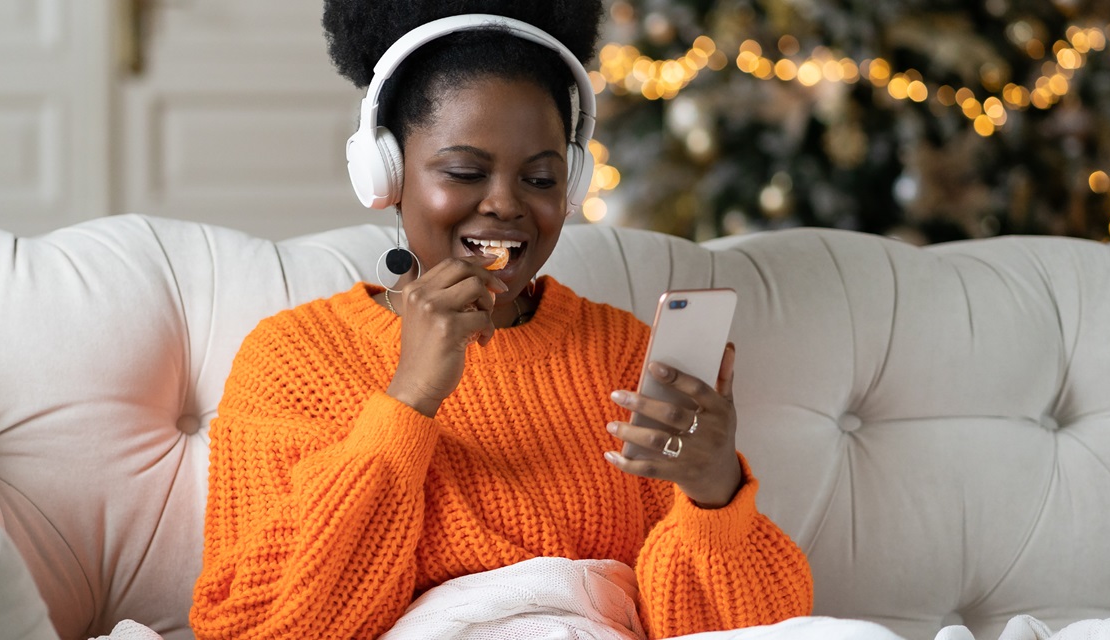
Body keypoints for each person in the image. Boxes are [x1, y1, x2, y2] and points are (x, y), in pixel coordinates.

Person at [188, 2, 813, 638]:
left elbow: (750, 631)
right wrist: (410, 398)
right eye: (464, 172)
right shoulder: (296, 358)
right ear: (388, 173)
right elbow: (254, 626)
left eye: (540, 178)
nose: (505, 205)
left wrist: (714, 494)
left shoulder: (625, 356)